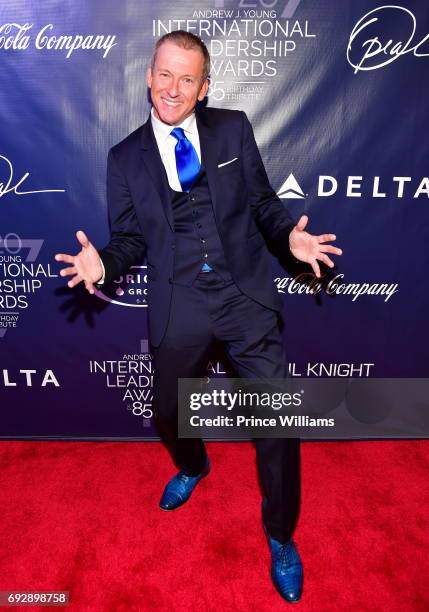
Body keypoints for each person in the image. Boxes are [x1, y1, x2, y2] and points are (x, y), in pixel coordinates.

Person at [55, 30, 342, 603]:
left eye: (188, 79)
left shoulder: (232, 128)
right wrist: (103, 264)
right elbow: (130, 241)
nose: (174, 88)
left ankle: (281, 537)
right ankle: (192, 464)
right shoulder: (123, 157)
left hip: (245, 300)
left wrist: (291, 239)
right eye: (165, 74)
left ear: (204, 88)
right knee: (168, 411)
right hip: (179, 302)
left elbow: (263, 204)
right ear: (148, 76)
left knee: (278, 425)